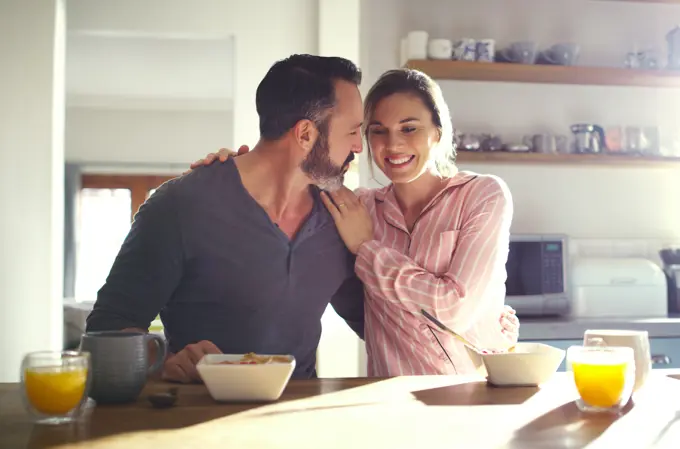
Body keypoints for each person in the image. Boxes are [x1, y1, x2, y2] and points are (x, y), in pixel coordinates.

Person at [190, 67, 520, 376]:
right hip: (389, 402)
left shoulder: (483, 195)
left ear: (438, 131)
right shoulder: (355, 206)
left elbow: (453, 311)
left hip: (475, 395)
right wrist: (233, 169)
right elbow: (281, 182)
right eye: (378, 131)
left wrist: (367, 248)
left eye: (409, 128)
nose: (393, 144)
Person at [86, 54, 368, 382]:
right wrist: (163, 359)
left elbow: (377, 325)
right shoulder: (180, 205)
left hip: (298, 420)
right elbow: (106, 329)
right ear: (305, 134)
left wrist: (370, 250)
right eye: (352, 131)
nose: (358, 146)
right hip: (196, 420)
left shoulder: (341, 219)